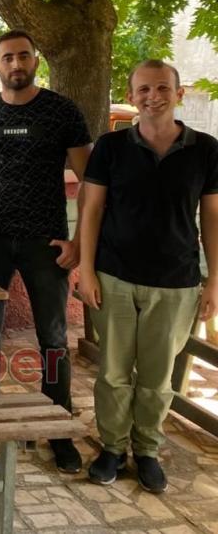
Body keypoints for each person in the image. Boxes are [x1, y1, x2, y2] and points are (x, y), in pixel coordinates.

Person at [0, 29, 92, 473]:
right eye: (8, 58)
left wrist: (77, 242)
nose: (16, 64)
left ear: (36, 61)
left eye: (24, 56)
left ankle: (57, 425)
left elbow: (91, 181)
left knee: (53, 336)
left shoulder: (61, 111)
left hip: (45, 242)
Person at [78, 60, 218, 493]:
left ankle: (148, 450)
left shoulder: (206, 149)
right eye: (143, 89)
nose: (152, 96)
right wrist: (86, 269)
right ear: (132, 94)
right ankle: (113, 448)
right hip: (115, 275)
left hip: (176, 281)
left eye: (162, 88)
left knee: (158, 378)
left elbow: (212, 215)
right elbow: (92, 209)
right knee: (114, 372)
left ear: (178, 94)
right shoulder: (111, 146)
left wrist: (214, 280)